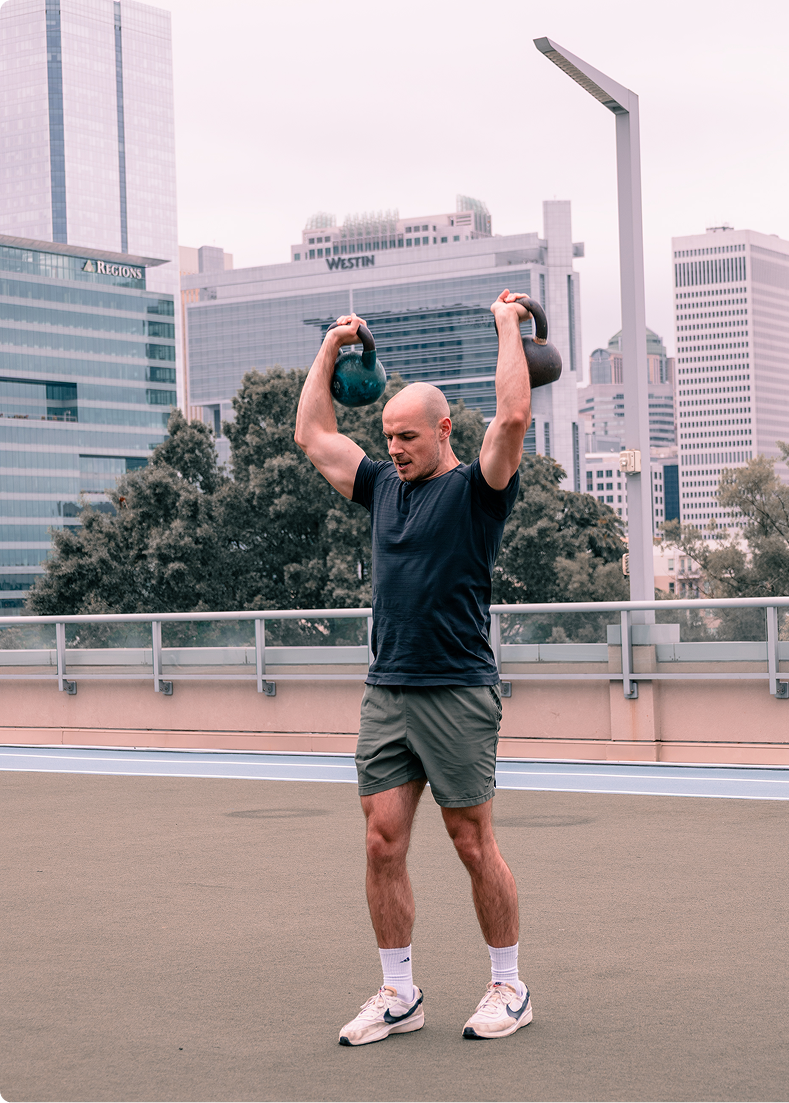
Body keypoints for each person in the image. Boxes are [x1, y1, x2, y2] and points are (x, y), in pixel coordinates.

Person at [294, 290, 533, 1046]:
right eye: (388, 436)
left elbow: (513, 417)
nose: (394, 448)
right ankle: (400, 994)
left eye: (407, 436)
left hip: (457, 689)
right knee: (381, 841)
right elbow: (312, 434)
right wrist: (331, 347)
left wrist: (506, 327)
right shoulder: (380, 489)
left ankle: (510, 985)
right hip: (388, 689)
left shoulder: (477, 492)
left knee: (472, 841)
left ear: (443, 429)